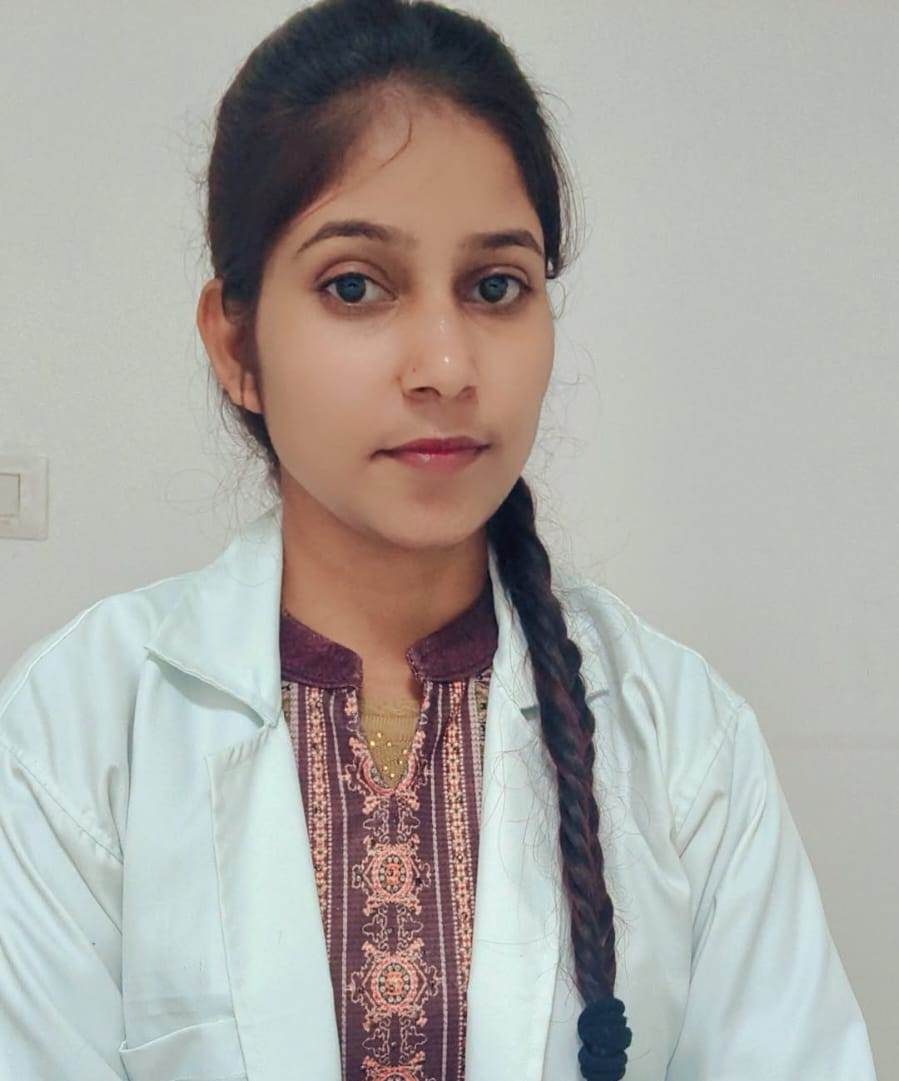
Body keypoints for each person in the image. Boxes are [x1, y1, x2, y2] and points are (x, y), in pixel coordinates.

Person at [0, 2, 879, 1079]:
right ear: (235, 344)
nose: (447, 367)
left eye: (495, 287)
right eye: (356, 286)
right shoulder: (77, 735)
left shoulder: (681, 738)